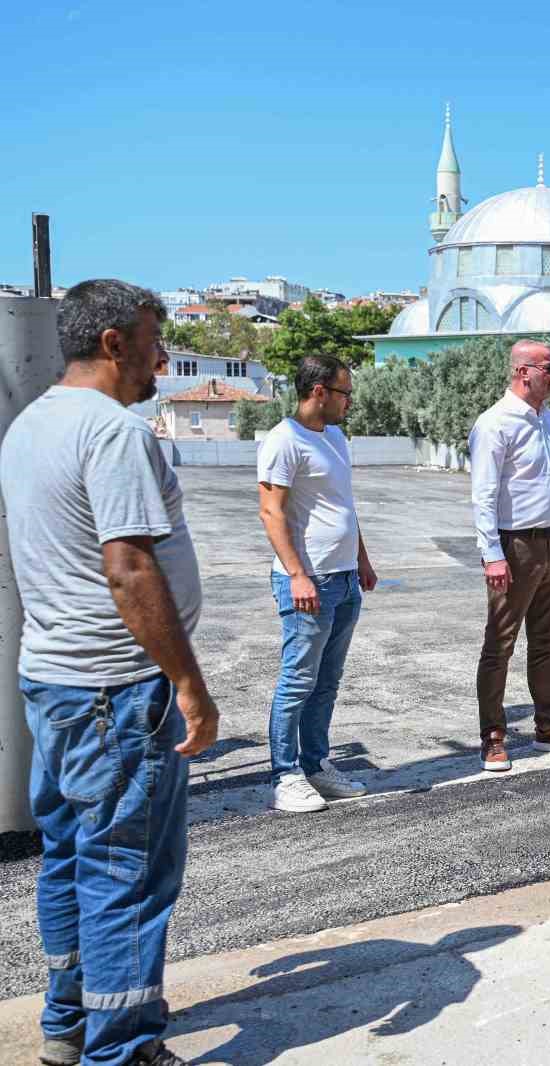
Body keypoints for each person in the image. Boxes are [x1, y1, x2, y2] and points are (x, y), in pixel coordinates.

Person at [1, 280, 218, 1066]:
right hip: (116, 692)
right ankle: (120, 1052)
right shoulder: (112, 430)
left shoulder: (30, 425)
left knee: (70, 858)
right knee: (127, 876)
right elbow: (128, 568)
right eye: (155, 340)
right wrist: (188, 684)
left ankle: (67, 1028)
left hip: (55, 683)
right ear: (115, 343)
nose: (164, 356)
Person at [256, 354, 377, 813]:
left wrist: (361, 559)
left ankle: (316, 765)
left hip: (344, 578)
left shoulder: (335, 437)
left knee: (327, 681)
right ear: (319, 392)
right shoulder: (283, 441)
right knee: (297, 682)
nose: (350, 401)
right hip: (309, 581)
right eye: (345, 392)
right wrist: (297, 574)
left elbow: (344, 505)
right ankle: (285, 776)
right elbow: (271, 512)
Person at [470, 340, 550, 771]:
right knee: (499, 644)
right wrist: (492, 555)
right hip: (514, 546)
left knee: (546, 642)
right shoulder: (495, 424)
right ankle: (493, 737)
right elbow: (483, 495)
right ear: (524, 372)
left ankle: (547, 727)